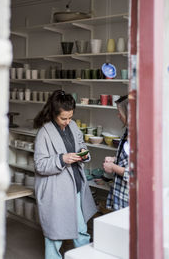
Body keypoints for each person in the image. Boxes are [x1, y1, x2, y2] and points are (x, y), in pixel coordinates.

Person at [33, 89, 97, 259]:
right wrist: (62, 159)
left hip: (74, 185)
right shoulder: (44, 133)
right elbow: (40, 165)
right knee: (55, 236)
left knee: (81, 230)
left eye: (70, 117)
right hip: (56, 191)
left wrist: (84, 152)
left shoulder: (73, 125)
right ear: (54, 113)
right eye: (64, 118)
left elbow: (81, 143)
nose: (68, 121)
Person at [103, 95, 129, 210]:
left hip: (130, 199)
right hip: (119, 195)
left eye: (120, 112)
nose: (118, 115)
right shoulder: (128, 131)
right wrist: (115, 159)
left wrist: (113, 167)